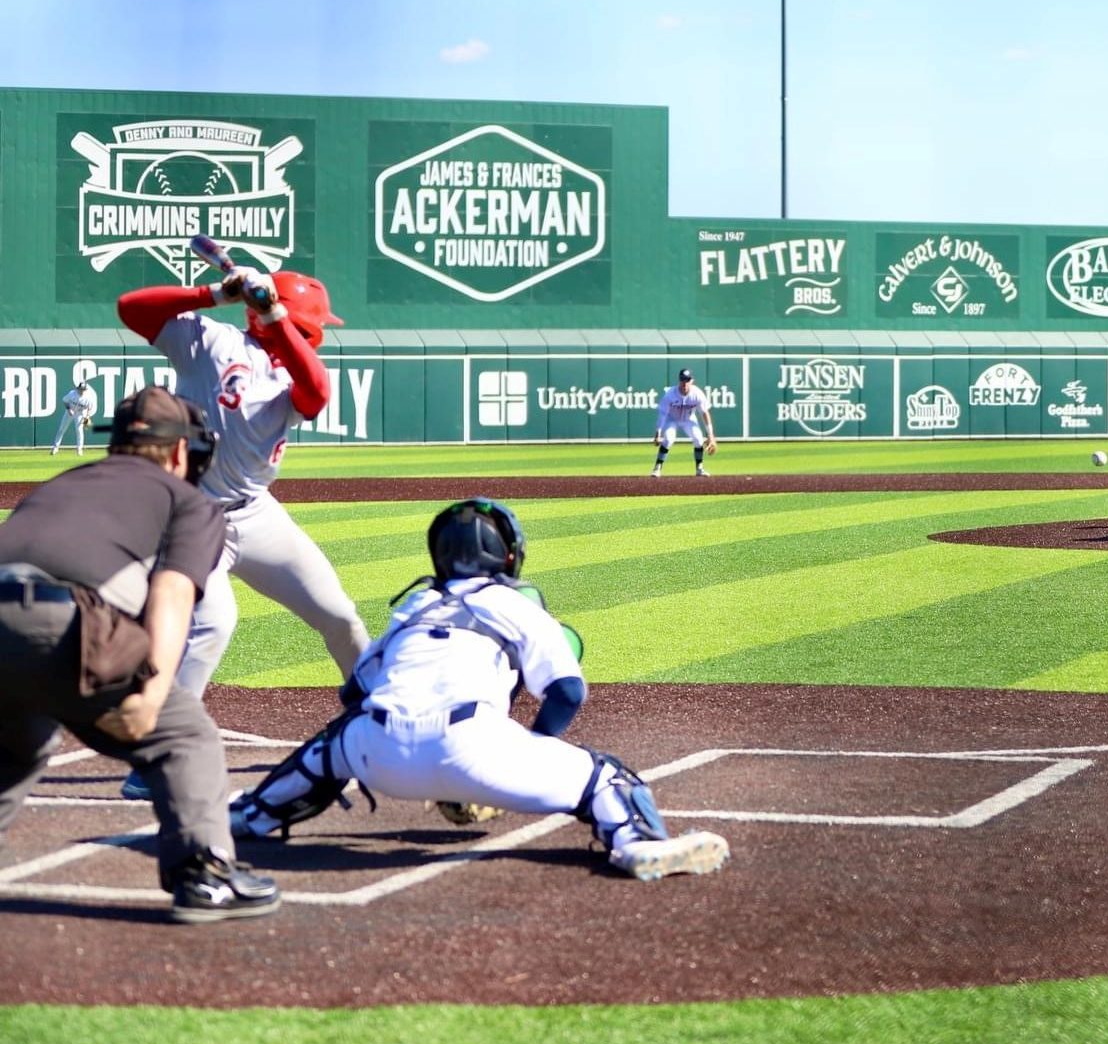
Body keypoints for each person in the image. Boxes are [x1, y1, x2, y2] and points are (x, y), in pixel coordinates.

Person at [228, 498, 730, 883]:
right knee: (607, 779)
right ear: (508, 556)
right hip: (474, 750)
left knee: (337, 739)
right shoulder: (517, 606)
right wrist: (533, 744)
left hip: (378, 757)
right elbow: (568, 691)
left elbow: (353, 695)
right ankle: (637, 841)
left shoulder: (413, 610)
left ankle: (251, 815)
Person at [0, 387, 279, 922]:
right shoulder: (190, 501)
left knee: (19, 740)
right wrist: (150, 696)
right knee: (184, 734)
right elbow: (172, 594)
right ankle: (205, 874)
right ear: (180, 453)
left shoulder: (64, 482)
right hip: (56, 617)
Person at [115, 269, 371, 799]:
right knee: (212, 626)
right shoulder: (213, 342)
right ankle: (157, 756)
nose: (320, 332)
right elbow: (131, 306)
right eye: (315, 324)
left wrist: (275, 317)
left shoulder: (295, 371)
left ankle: (378, 718)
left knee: (340, 616)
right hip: (193, 514)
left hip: (256, 512)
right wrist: (215, 294)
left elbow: (318, 393)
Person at [651, 368, 718, 477]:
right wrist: (658, 432)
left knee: (698, 438)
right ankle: (657, 468)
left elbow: (705, 413)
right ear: (679, 380)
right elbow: (662, 414)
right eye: (682, 380)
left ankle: (699, 468)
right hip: (671, 419)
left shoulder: (697, 393)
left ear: (692, 381)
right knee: (668, 439)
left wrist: (711, 435)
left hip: (689, 419)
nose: (684, 383)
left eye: (687, 380)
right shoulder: (670, 394)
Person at [50, 383, 97, 456]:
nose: (82, 391)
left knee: (79, 431)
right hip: (70, 411)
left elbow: (90, 408)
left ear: (85, 390)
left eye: (83, 390)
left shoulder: (88, 398)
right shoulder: (72, 393)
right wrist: (68, 409)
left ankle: (79, 450)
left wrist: (87, 417)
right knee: (61, 429)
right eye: (81, 389)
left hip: (80, 414)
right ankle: (55, 448)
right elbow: (65, 401)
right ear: (78, 389)